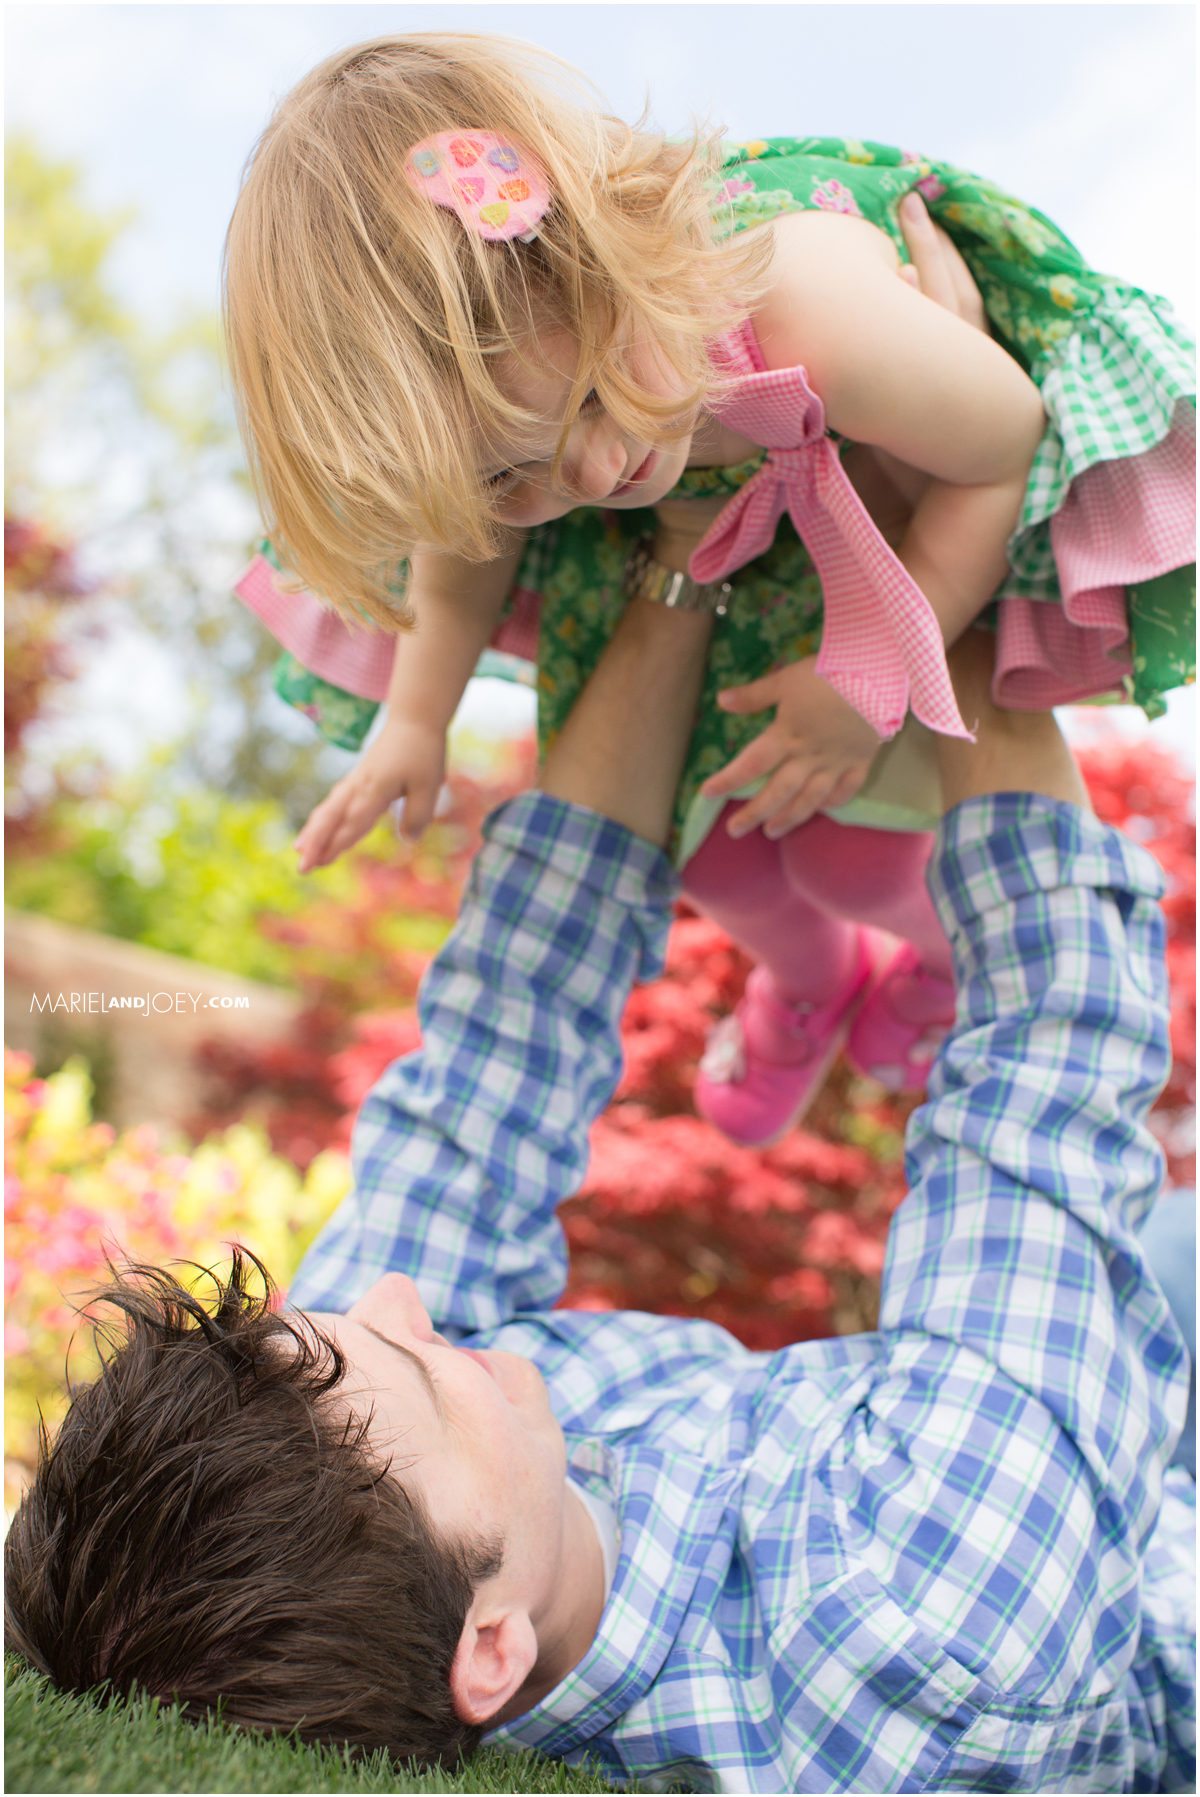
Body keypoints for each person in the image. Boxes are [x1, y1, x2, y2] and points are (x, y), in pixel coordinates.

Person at [6, 599, 1194, 1793]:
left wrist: (673, 571)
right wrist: (967, 605)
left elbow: (492, 1067)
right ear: (491, 1647)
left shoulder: (387, 1496)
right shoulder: (927, 1612)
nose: (405, 1302)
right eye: (428, 1364)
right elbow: (1049, 1071)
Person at [225, 33, 1195, 1150]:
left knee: (854, 852)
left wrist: (865, 672)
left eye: (590, 397)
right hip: (742, 522)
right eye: (507, 474)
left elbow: (1003, 451)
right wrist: (415, 717)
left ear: (600, 255)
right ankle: (811, 978)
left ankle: (933, 963)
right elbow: (465, 552)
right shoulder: (541, 415)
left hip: (920, 501)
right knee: (718, 844)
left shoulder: (805, 304)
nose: (588, 475)